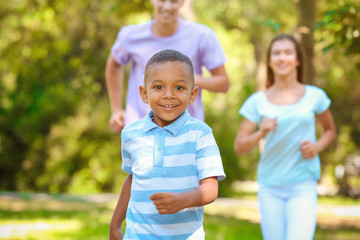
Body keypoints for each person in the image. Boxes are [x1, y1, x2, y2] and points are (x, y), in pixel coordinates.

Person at [109, 49, 226, 240]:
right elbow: (132, 179)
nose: (169, 95)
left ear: (192, 94)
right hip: (138, 235)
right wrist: (115, 224)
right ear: (144, 93)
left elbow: (211, 188)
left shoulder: (200, 134)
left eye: (179, 88)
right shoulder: (131, 134)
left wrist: (183, 200)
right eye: (158, 87)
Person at [234, 34, 336, 240]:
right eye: (277, 53)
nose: (282, 58)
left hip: (303, 183)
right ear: (270, 61)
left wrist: (316, 147)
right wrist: (261, 132)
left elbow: (330, 131)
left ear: (297, 60)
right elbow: (240, 146)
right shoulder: (258, 101)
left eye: (288, 52)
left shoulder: (314, 96)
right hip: (269, 186)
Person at [105, 0, 230, 134]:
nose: (167, 6)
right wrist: (116, 109)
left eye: (174, 1)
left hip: (187, 134)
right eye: (162, 0)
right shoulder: (130, 36)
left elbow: (223, 83)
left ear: (182, 2)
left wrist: (189, 79)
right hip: (141, 133)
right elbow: (114, 64)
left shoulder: (202, 36)